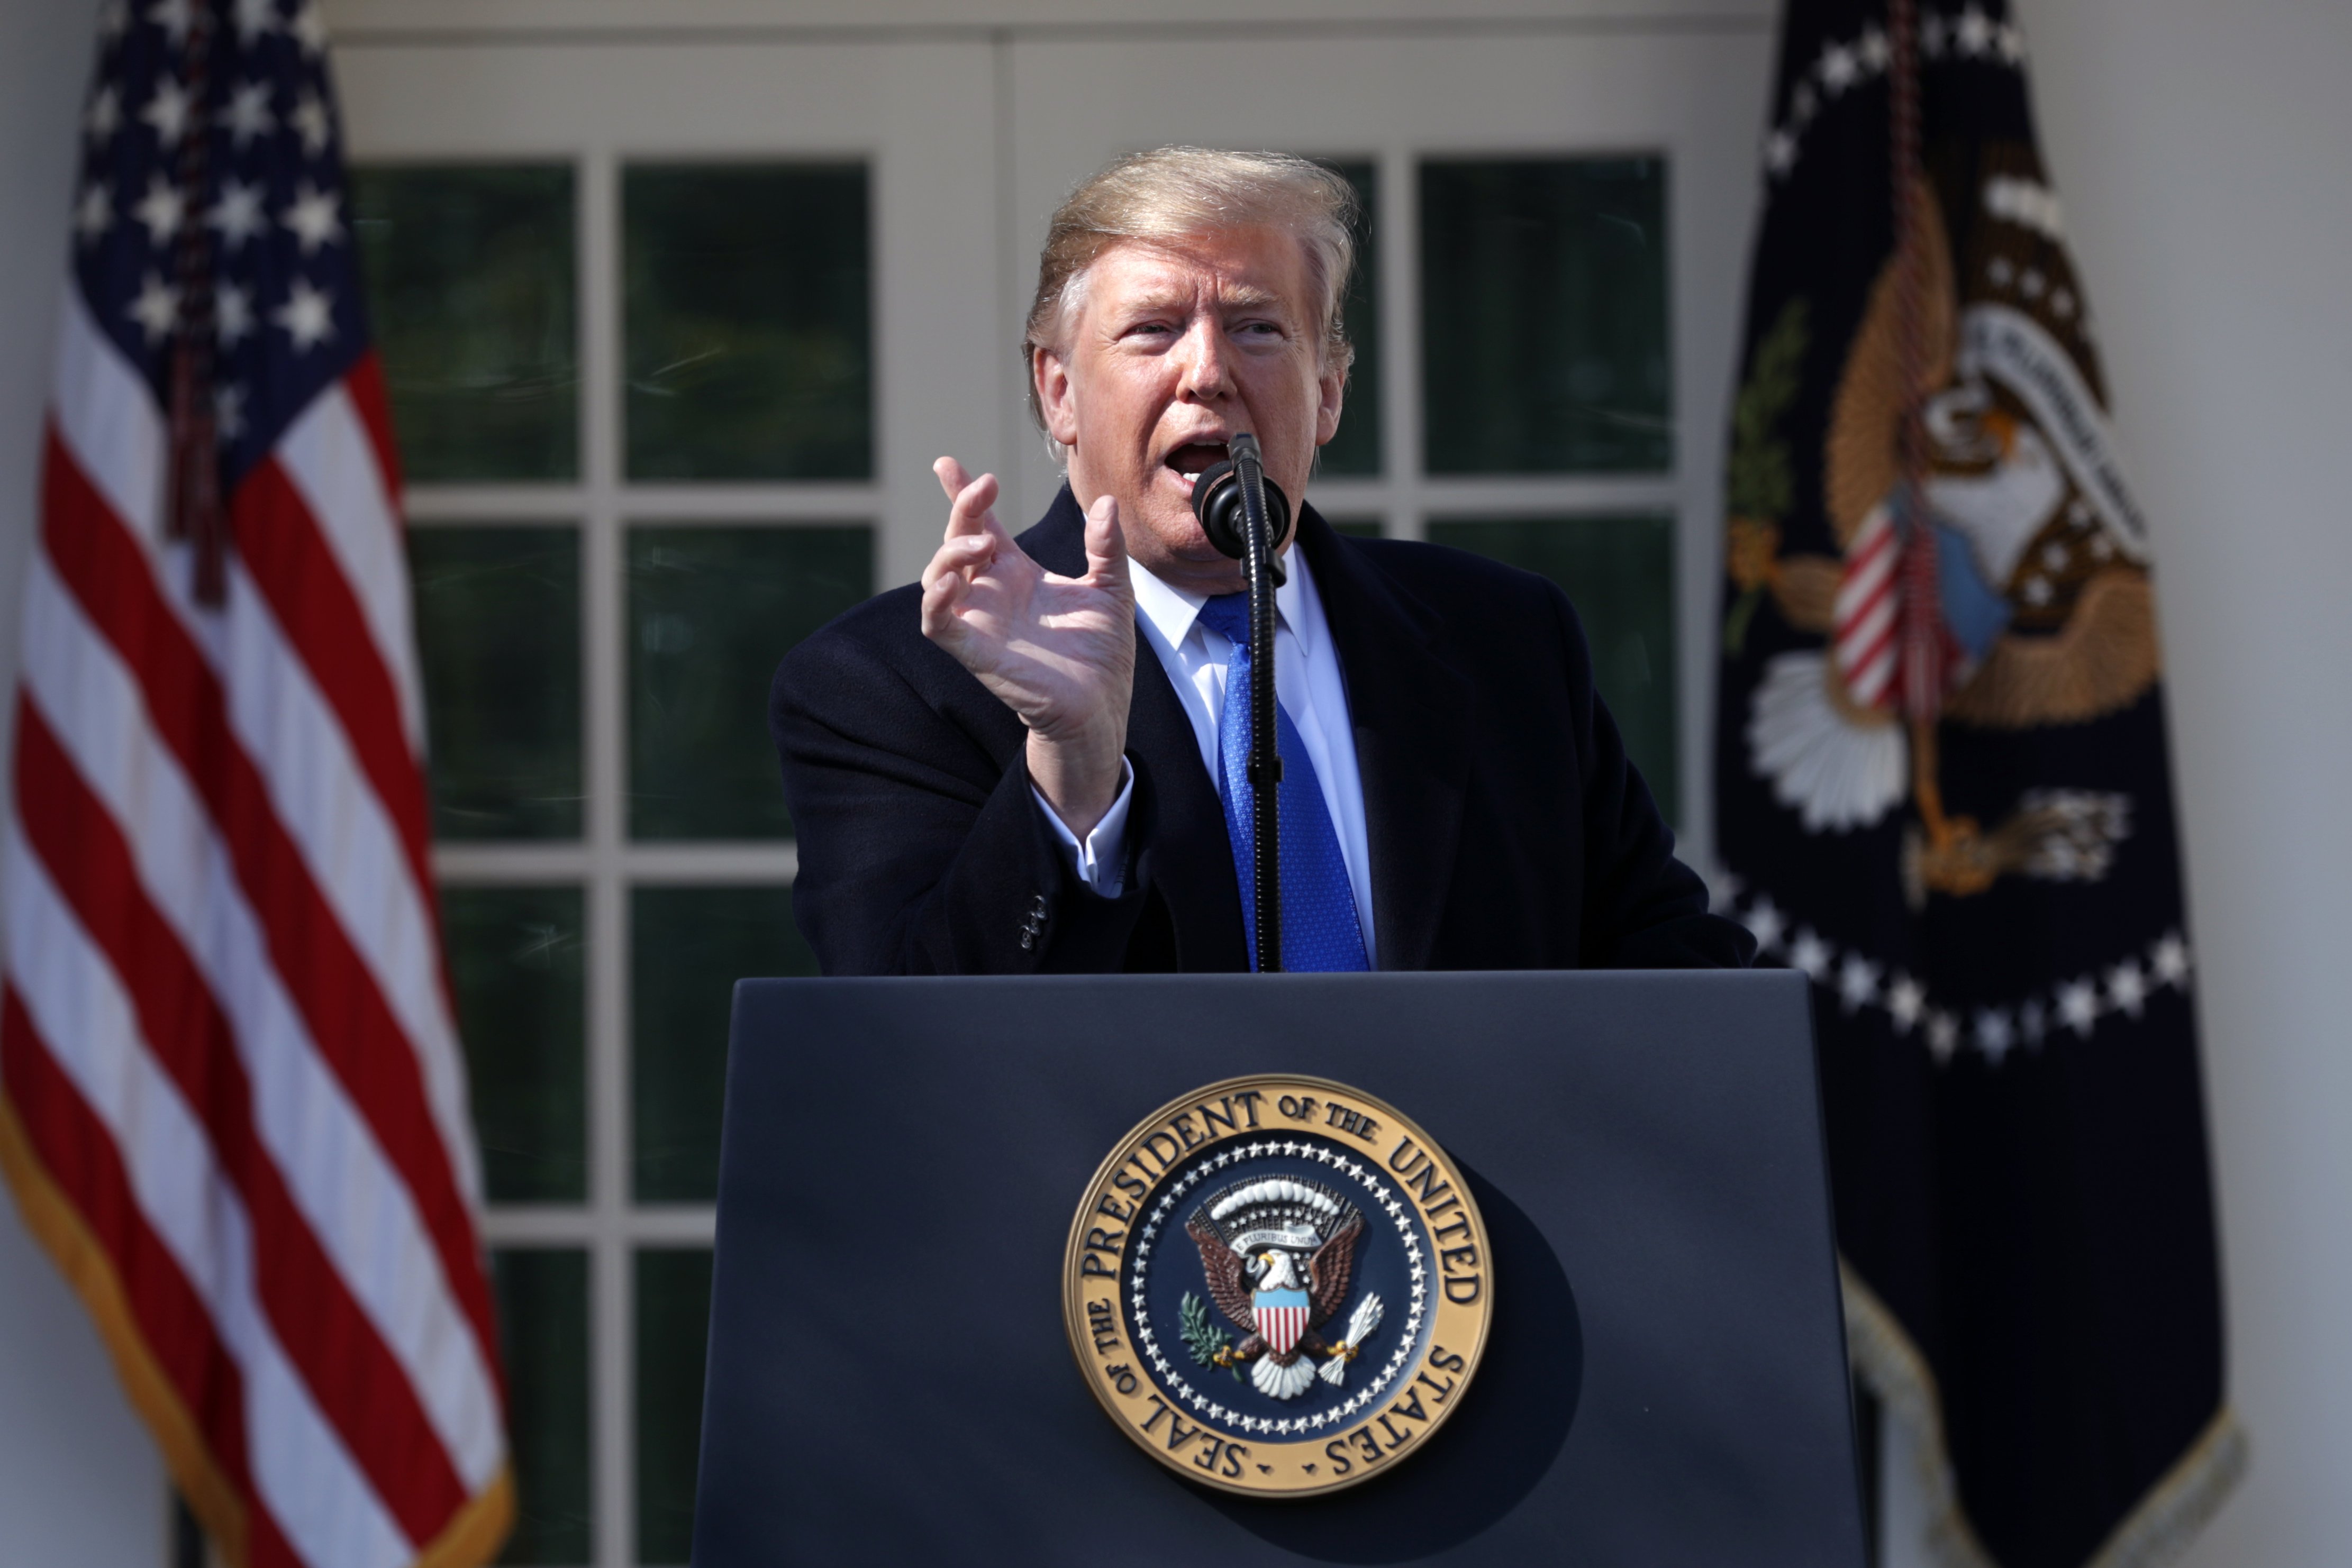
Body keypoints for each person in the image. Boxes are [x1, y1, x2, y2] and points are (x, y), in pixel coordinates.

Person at [771, 147, 1750, 976]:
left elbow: (1672, 981)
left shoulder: (1507, 640)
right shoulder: (887, 682)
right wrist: (1069, 770)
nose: (1207, 372)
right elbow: (909, 1040)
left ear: (1327, 391)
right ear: (1059, 392)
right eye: (1152, 331)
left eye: (1256, 328)